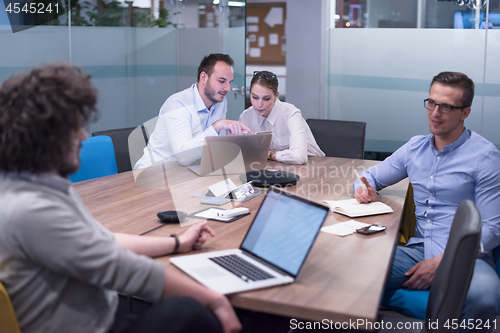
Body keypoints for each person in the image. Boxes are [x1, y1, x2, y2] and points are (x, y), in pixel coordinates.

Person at [0, 64, 242, 333]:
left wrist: (176, 243)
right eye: (73, 128)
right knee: (187, 312)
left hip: (98, 315)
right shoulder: (32, 210)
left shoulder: (35, 185)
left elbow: (100, 240)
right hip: (92, 327)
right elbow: (124, 269)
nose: (82, 136)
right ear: (40, 136)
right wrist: (215, 300)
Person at [354, 71, 500, 331]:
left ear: (465, 112)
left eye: (446, 107)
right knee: (349, 275)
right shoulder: (415, 148)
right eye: (431, 103)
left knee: (484, 298)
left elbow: (492, 228)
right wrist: (362, 189)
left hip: (468, 257)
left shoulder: (485, 157)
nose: (435, 113)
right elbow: (369, 176)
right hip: (418, 251)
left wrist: (444, 262)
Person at [134, 54, 252, 169]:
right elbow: (183, 157)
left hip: (190, 171)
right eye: (221, 81)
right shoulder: (177, 104)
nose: (228, 88)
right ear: (203, 78)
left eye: (229, 82)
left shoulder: (220, 100)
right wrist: (216, 127)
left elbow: (214, 147)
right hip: (154, 172)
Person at [238, 71, 324, 164]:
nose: (259, 104)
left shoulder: (290, 113)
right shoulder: (246, 116)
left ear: (276, 96)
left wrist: (270, 154)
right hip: (275, 166)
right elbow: (239, 153)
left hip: (313, 165)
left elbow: (299, 157)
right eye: (255, 97)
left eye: (266, 98)